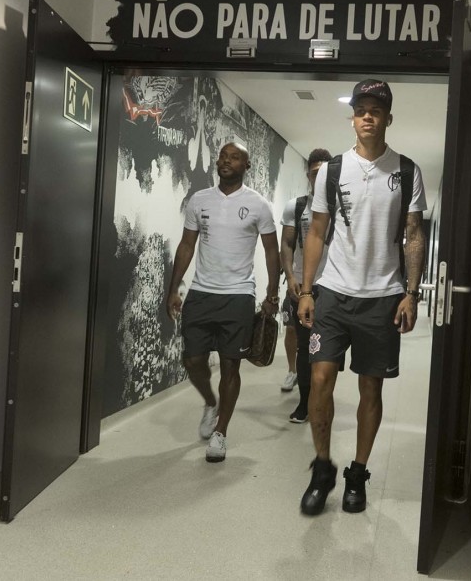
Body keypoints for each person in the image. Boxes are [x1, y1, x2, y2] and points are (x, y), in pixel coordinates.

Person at [297, 79, 426, 515]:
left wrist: (411, 293)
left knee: (371, 387)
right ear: (352, 117)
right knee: (319, 380)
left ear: (389, 117)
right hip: (333, 293)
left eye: (376, 109)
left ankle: (357, 473)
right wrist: (307, 289)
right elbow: (316, 231)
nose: (367, 116)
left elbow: (412, 233)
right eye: (361, 109)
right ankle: (321, 467)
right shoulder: (332, 170)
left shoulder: (406, 172)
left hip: (383, 297)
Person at [166, 142, 280, 463]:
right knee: (192, 360)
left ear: (246, 165)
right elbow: (187, 245)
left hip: (239, 296)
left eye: (234, 157)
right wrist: (173, 288)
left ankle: (221, 432)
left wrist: (272, 293)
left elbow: (272, 250)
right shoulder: (199, 200)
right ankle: (210, 401)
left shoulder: (258, 205)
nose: (225, 161)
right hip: (202, 294)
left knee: (231, 364)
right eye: (222, 156)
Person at [279, 148, 332, 422]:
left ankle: (321, 402)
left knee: (326, 350)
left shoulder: (341, 207)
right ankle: (304, 403)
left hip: (333, 288)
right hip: (302, 287)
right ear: (308, 175)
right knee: (304, 347)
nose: (319, 178)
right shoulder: (297, 206)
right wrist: (290, 277)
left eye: (324, 173)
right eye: (314, 173)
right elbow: (286, 244)